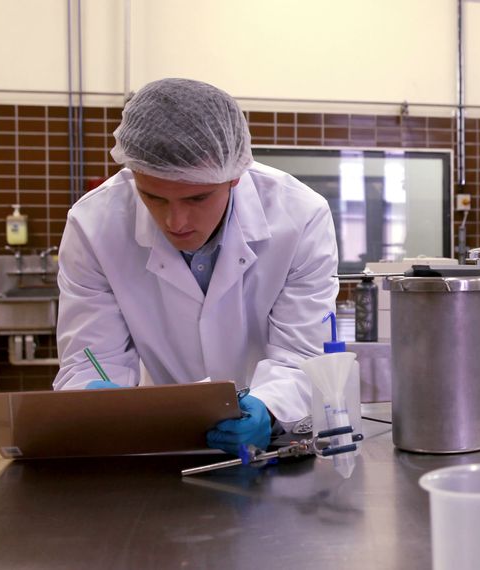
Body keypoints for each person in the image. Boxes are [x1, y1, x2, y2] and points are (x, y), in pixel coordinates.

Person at [53, 78, 339, 455]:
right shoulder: (94, 225)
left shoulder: (300, 217)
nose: (176, 222)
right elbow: (91, 360)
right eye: (152, 197)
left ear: (234, 177)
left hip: (274, 441)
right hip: (159, 443)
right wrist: (97, 396)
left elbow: (303, 355)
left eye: (198, 197)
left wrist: (268, 408)